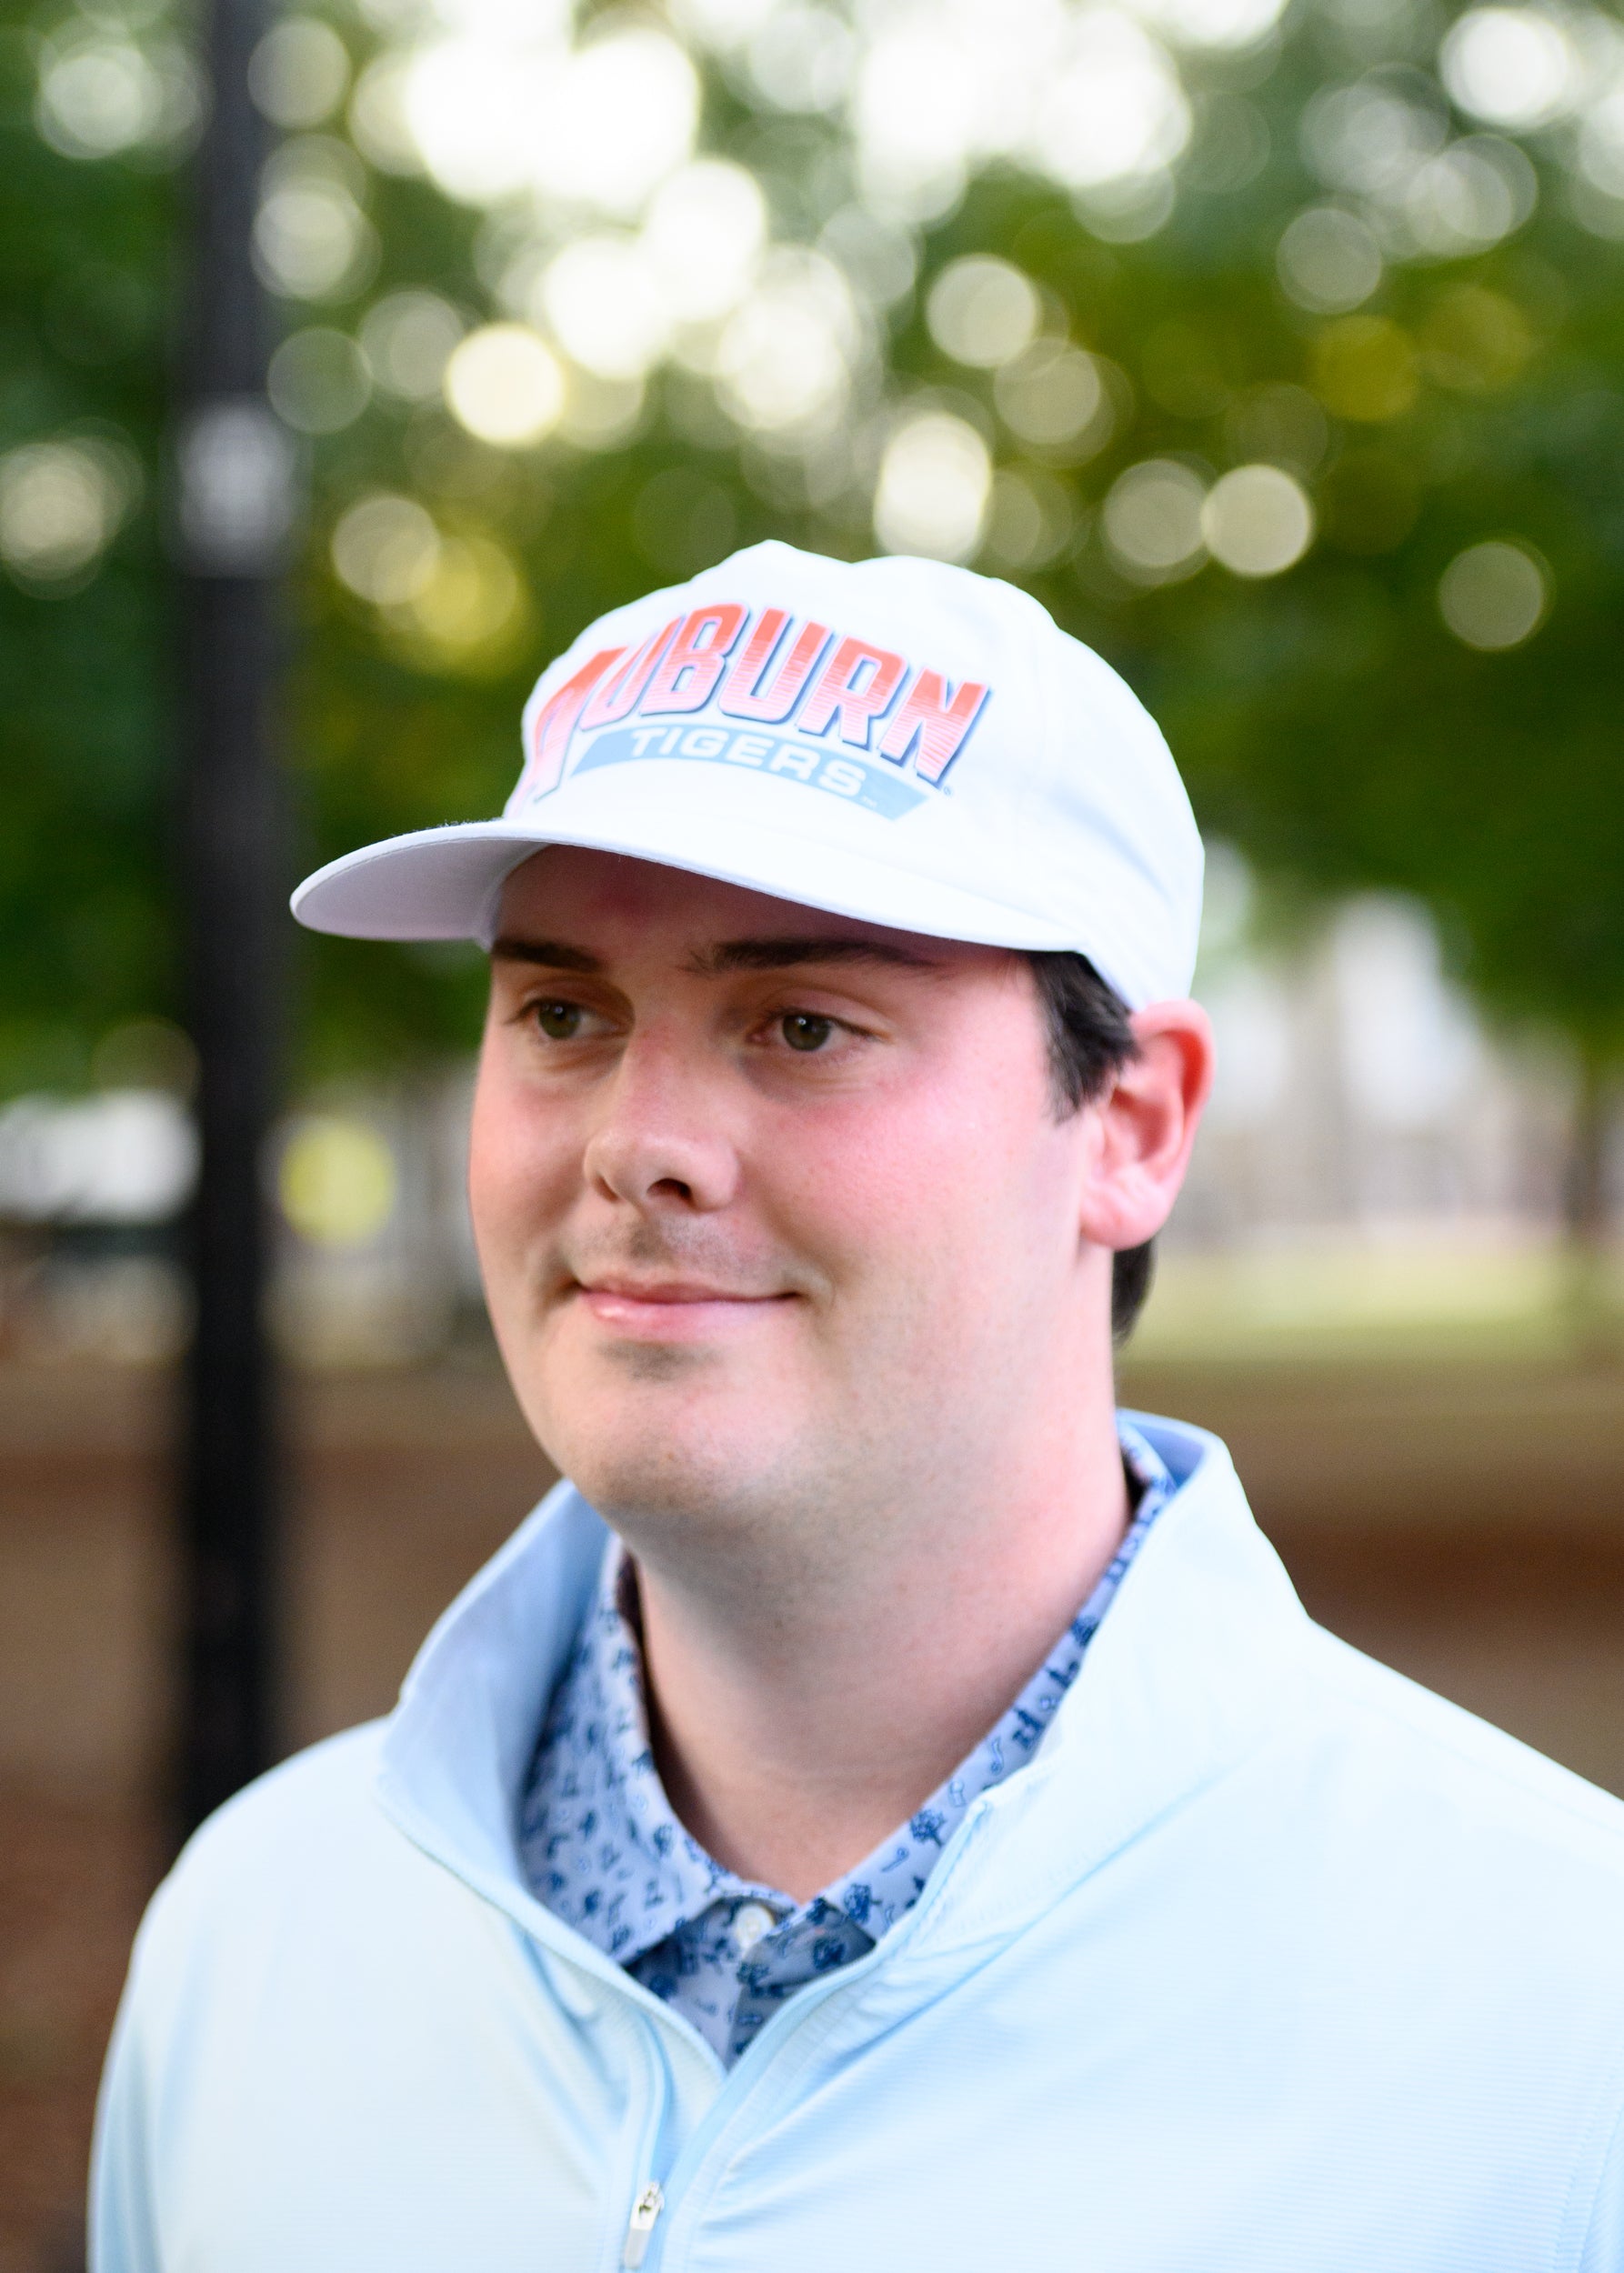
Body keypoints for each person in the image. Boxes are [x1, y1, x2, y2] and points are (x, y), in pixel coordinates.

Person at [93, 542, 1624, 2271]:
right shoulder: (261, 1930)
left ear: (1128, 1126)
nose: (635, 1143)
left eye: (803, 1025)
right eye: (562, 1012)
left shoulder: (1559, 2026)